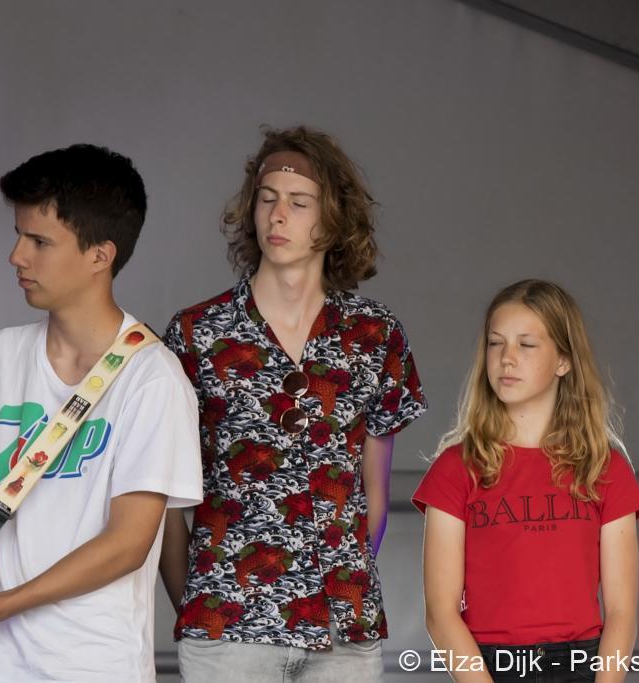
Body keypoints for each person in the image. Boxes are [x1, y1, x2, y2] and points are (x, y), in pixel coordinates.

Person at [0, 143, 203, 682]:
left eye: (39, 241)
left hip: (89, 666)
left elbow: (128, 545)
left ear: (100, 255)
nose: (16, 256)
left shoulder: (153, 379)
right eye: (19, 235)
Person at [160, 125, 427, 682]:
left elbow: (374, 495)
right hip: (227, 625)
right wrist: (198, 604)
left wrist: (344, 579)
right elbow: (161, 496)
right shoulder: (196, 334)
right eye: (267, 199)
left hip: (343, 631)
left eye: (299, 203)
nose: (278, 216)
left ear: (333, 219)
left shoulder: (375, 335)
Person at [412, 279, 639, 683]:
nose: (507, 359)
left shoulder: (604, 468)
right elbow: (440, 612)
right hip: (488, 667)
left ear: (564, 361)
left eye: (526, 345)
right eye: (496, 343)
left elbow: (622, 612)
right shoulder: (455, 469)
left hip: (581, 666)